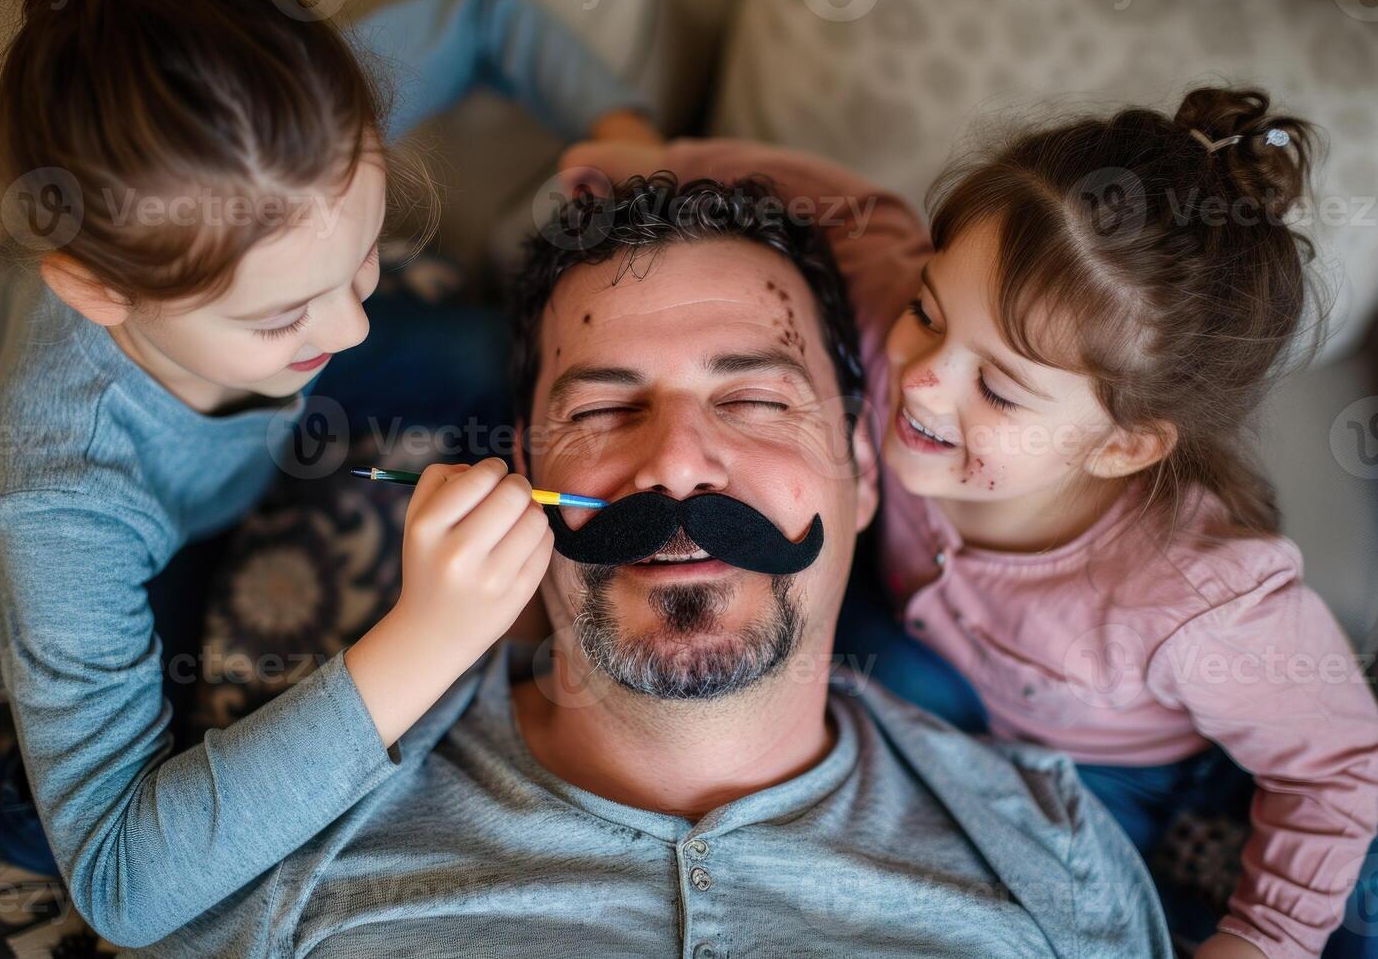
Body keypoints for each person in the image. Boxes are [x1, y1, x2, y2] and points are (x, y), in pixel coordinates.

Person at [130, 174, 1172, 958]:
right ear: (522, 472)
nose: (675, 462)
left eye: (755, 400)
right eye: (600, 407)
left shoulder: (1054, 854)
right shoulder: (275, 857)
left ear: (861, 465)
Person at [564, 86, 1378, 959]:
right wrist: (639, 161)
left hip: (1137, 776)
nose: (920, 379)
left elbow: (1336, 766)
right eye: (929, 310)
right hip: (941, 683)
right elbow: (833, 208)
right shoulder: (888, 334)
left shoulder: (1201, 602)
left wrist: (1266, 937)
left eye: (995, 387)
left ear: (1123, 447)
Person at [0, 0, 655, 945]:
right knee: (94, 806)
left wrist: (627, 131)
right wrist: (425, 639)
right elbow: (121, 886)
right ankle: (22, 799)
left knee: (482, 355)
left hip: (236, 430)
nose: (352, 323)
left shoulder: (288, 134)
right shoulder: (62, 504)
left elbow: (482, 15)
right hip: (160, 531)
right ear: (97, 292)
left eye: (365, 254)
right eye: (281, 312)